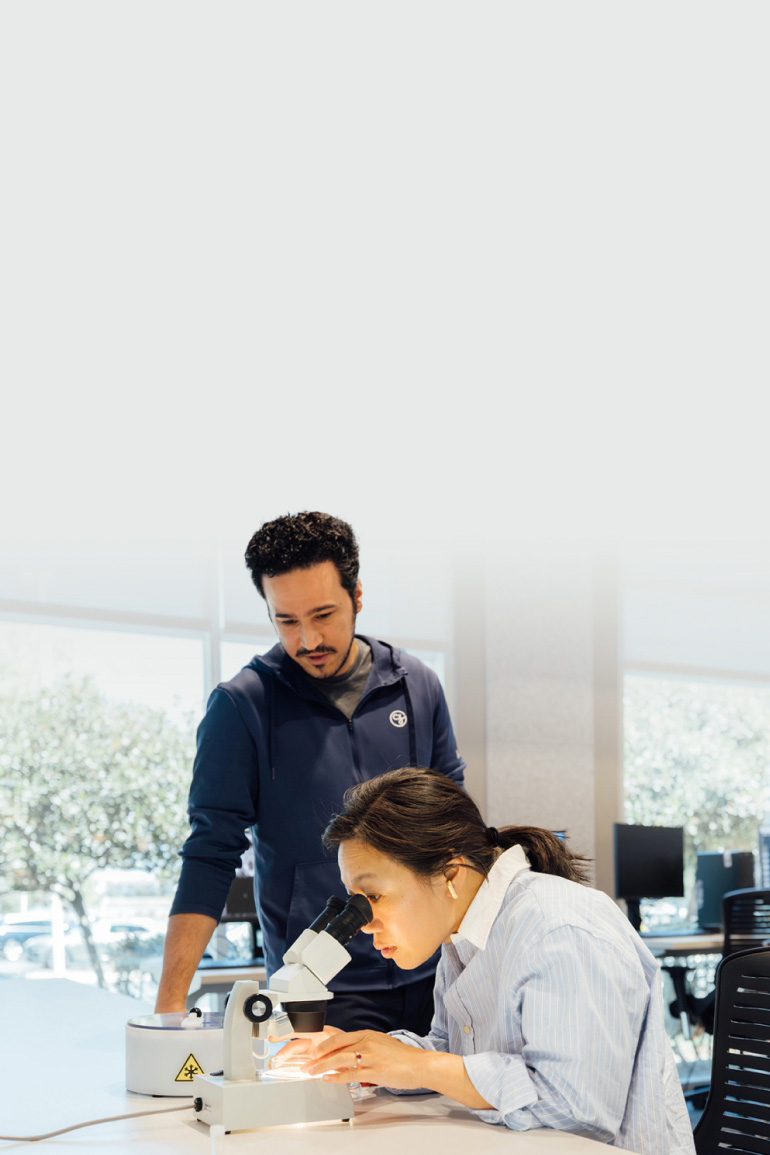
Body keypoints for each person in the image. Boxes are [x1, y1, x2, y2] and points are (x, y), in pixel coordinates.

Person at [275, 767, 695, 1153]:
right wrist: (364, 1057)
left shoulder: (559, 928)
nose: (365, 925)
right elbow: (450, 1051)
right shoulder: (463, 938)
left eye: (375, 897)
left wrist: (421, 1066)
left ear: (450, 873)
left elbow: (574, 1107)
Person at [155, 512, 465, 1032]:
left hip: (436, 976)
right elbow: (210, 854)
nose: (308, 640)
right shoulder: (241, 707)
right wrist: (167, 1007)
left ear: (358, 596)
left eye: (323, 615)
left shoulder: (418, 687)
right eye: (288, 621)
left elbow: (456, 830)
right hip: (319, 995)